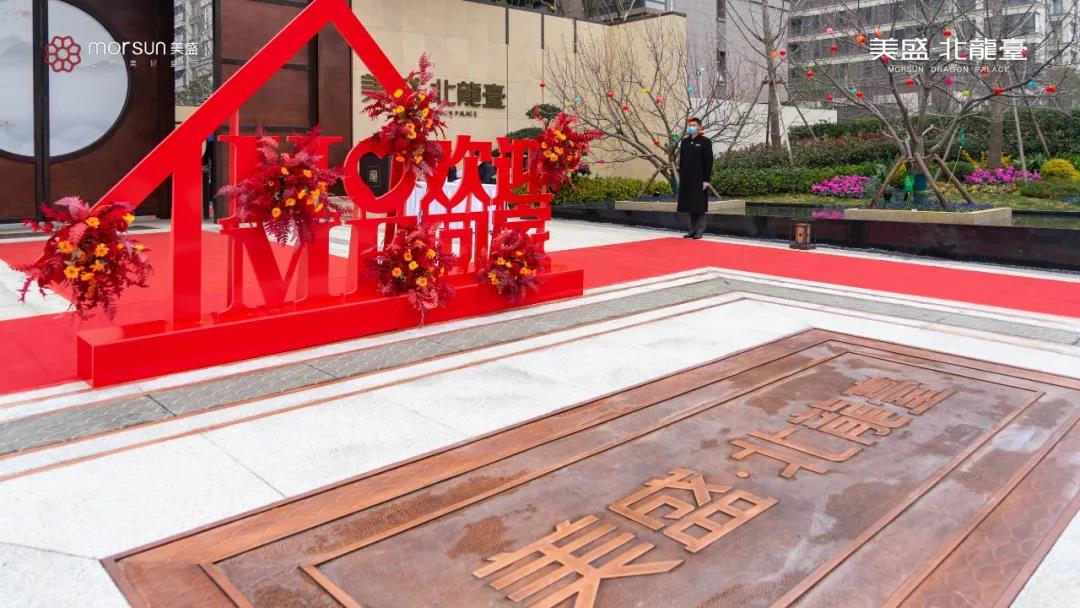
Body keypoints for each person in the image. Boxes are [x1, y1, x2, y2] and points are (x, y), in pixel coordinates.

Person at [676, 117, 714, 239]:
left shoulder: (705, 142)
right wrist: (681, 176)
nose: (692, 127)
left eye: (694, 125)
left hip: (700, 179)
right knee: (690, 205)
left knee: (699, 206)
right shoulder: (685, 142)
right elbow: (682, 160)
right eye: (690, 125)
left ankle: (699, 230)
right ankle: (691, 230)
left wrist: (706, 180)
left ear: (700, 127)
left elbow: (708, 161)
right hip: (687, 179)